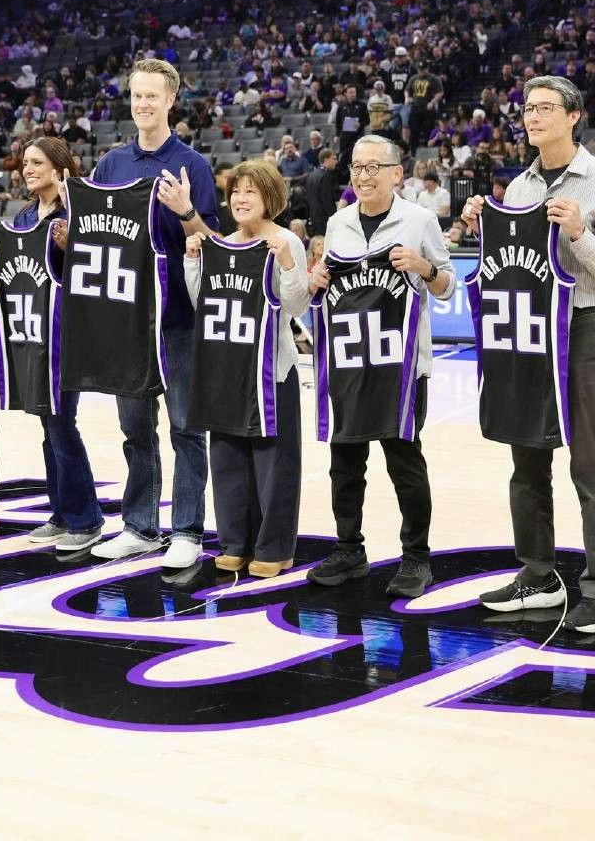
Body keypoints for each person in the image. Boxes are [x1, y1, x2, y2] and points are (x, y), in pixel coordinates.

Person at [460, 75, 595, 633]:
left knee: (589, 462)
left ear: (573, 115)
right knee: (527, 457)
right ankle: (538, 573)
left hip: (582, 328)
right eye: (527, 108)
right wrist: (479, 227)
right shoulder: (517, 188)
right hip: (527, 331)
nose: (532, 117)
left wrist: (580, 233)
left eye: (544, 108)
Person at [307, 134, 455, 597]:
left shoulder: (421, 220)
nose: (363, 176)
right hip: (351, 361)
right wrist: (316, 279)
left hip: (402, 367)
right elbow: (326, 287)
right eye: (357, 167)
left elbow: (448, 286)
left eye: (373, 167)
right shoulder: (338, 222)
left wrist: (424, 268)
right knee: (345, 462)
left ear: (396, 174)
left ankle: (417, 557)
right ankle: (349, 549)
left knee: (404, 463)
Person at [90, 59, 220, 570]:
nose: (143, 104)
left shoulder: (193, 165)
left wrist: (187, 211)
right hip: (128, 323)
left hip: (179, 321)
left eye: (152, 96)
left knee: (187, 428)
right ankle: (140, 527)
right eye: (137, 95)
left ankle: (187, 530)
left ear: (171, 100)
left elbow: (212, 247)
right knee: (135, 430)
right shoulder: (111, 164)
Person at [185, 160, 309, 577]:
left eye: (250, 192)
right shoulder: (223, 243)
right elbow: (203, 302)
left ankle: (275, 547)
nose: (240, 199)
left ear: (269, 198)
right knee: (228, 460)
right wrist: (193, 262)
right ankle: (235, 542)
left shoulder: (286, 241)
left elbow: (297, 305)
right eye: (235, 191)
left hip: (271, 372)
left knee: (275, 463)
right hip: (225, 368)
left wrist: (288, 265)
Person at [13, 139, 112, 554]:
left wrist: (74, 246)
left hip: (68, 331)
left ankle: (86, 520)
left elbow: (99, 268)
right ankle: (61, 512)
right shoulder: (23, 216)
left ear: (59, 168)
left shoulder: (77, 212)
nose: (27, 169)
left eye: (36, 162)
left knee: (60, 423)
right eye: (25, 163)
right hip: (32, 331)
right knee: (47, 424)